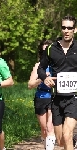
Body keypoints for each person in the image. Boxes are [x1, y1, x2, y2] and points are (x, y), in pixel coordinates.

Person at [37, 15, 77, 150]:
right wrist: (45, 78)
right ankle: (73, 141)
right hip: (56, 98)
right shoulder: (51, 48)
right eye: (64, 27)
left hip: (74, 98)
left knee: (67, 134)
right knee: (60, 141)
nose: (66, 30)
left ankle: (70, 138)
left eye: (69, 28)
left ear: (74, 30)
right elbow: (40, 68)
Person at [28, 40, 55, 150]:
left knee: (50, 128)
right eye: (44, 51)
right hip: (41, 98)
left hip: (54, 97)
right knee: (44, 129)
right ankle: (46, 147)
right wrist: (41, 78)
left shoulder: (57, 65)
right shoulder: (38, 66)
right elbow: (30, 85)